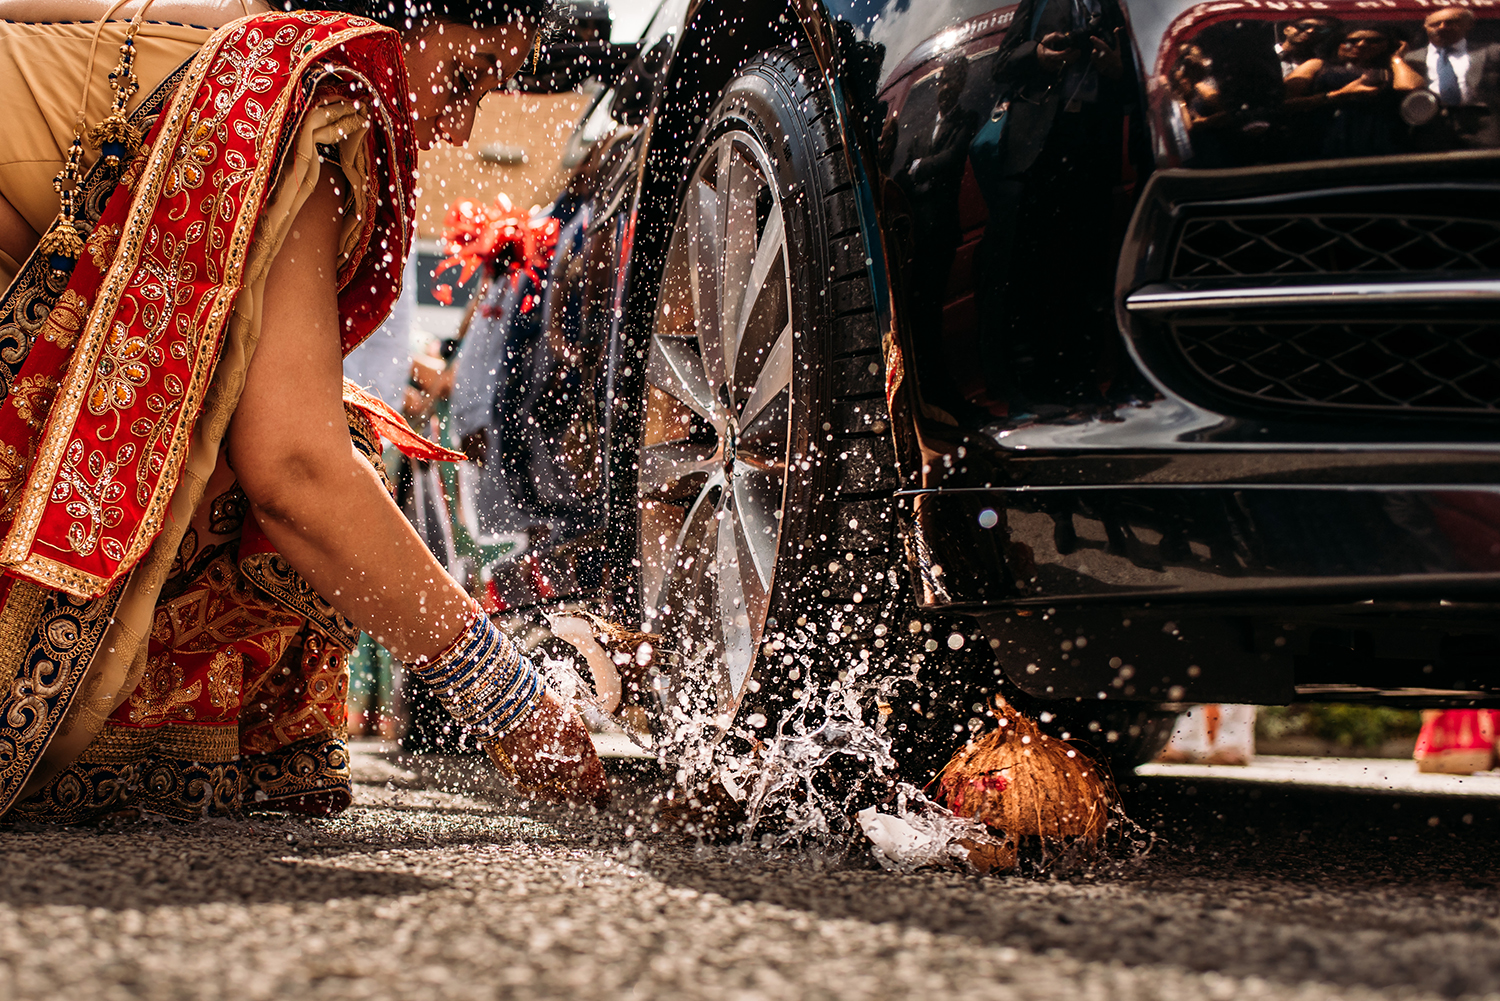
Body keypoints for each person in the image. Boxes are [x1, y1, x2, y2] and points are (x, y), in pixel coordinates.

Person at [0, 0, 608, 821]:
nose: (460, 131)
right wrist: (512, 699)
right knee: (290, 444)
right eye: (464, 78)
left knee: (240, 396)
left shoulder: (230, 42)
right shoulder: (311, 98)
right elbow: (294, 470)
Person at [1285, 24, 1423, 157]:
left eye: (1373, 41)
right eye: (1351, 41)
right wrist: (1339, 95)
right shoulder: (1317, 65)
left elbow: (1410, 87)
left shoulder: (1398, 68)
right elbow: (1285, 103)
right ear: (1338, 43)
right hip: (1327, 135)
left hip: (1383, 137)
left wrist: (1396, 58)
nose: (1361, 45)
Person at [1402, 6, 1500, 148]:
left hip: (1484, 124)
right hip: (1431, 125)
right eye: (1435, 24)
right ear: (1425, 26)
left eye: (1451, 22)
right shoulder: (1410, 59)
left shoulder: (1492, 52)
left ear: (1469, 25)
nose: (1442, 27)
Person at [1275, 15, 1341, 78]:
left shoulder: (1317, 63)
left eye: (1318, 29)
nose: (1310, 31)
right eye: (1304, 26)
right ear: (1286, 29)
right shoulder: (1266, 54)